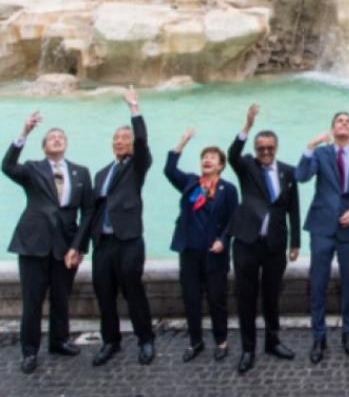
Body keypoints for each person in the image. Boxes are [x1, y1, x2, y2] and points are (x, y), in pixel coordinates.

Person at [69, 87, 155, 367]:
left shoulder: (138, 166)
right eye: (116, 139)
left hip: (129, 239)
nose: (120, 142)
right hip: (103, 244)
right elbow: (91, 212)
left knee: (133, 291)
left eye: (124, 138)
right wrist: (78, 246)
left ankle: (145, 340)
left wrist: (134, 109)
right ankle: (111, 341)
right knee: (104, 294)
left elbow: (142, 141)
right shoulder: (102, 173)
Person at [3, 111, 92, 374]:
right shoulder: (32, 168)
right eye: (51, 137)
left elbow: (88, 213)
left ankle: (59, 341)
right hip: (33, 242)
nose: (56, 139)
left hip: (65, 245)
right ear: (44, 147)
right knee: (32, 300)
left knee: (62, 298)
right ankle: (29, 351)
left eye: (60, 137)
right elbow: (7, 166)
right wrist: (24, 133)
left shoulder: (81, 172)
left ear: (66, 145)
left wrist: (78, 246)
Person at [296, 112, 349, 364]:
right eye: (339, 121)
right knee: (318, 283)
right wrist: (310, 146)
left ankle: (348, 333)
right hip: (322, 227)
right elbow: (301, 177)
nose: (343, 123)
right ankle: (318, 336)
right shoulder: (321, 153)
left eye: (348, 121)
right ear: (332, 129)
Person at [227, 104, 301, 374]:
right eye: (261, 149)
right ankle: (248, 349)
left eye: (270, 148)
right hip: (246, 242)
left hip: (275, 245)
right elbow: (232, 153)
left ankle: (272, 341)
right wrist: (246, 125)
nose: (266, 153)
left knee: (272, 295)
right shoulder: (247, 166)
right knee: (245, 297)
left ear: (276, 148)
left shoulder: (288, 172)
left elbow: (293, 207)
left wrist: (295, 242)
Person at [163, 128, 239, 363]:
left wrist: (223, 240)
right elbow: (169, 170)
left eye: (212, 158)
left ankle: (221, 341)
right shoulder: (190, 183)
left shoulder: (229, 190)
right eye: (204, 157)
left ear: (221, 165)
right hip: (189, 252)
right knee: (191, 299)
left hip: (214, 254)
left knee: (217, 300)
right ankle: (195, 342)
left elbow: (234, 220)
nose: (207, 160)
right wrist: (182, 142)